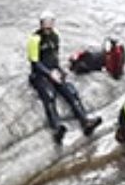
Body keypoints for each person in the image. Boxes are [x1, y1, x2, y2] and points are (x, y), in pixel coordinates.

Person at [27, 14, 101, 144]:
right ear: (41, 23)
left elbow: (54, 57)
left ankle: (85, 121)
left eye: (50, 22)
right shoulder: (35, 39)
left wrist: (60, 70)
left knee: (71, 92)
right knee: (49, 96)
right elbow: (35, 62)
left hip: (54, 71)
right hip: (40, 74)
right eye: (45, 23)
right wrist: (49, 74)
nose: (48, 25)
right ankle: (57, 128)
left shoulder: (55, 36)